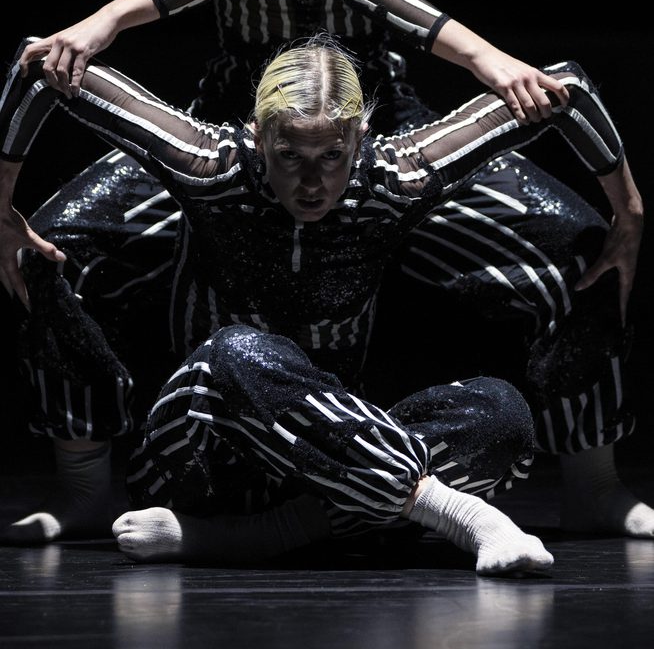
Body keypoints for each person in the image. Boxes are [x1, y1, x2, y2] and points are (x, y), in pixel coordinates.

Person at [7, 0, 652, 543]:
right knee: (57, 244)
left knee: (576, 246)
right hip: (238, 123)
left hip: (382, 116)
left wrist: (626, 206)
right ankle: (85, 478)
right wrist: (480, 49)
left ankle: (593, 480)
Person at [0, 35, 643, 571]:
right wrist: (1, 206)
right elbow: (42, 70)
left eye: (332, 156)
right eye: (290, 155)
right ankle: (453, 512)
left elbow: (566, 90)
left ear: (360, 138)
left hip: (328, 457)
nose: (312, 181)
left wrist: (630, 212)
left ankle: (263, 537)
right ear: (257, 137)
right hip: (202, 458)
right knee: (235, 352)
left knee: (501, 414)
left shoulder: (397, 177)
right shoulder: (208, 165)